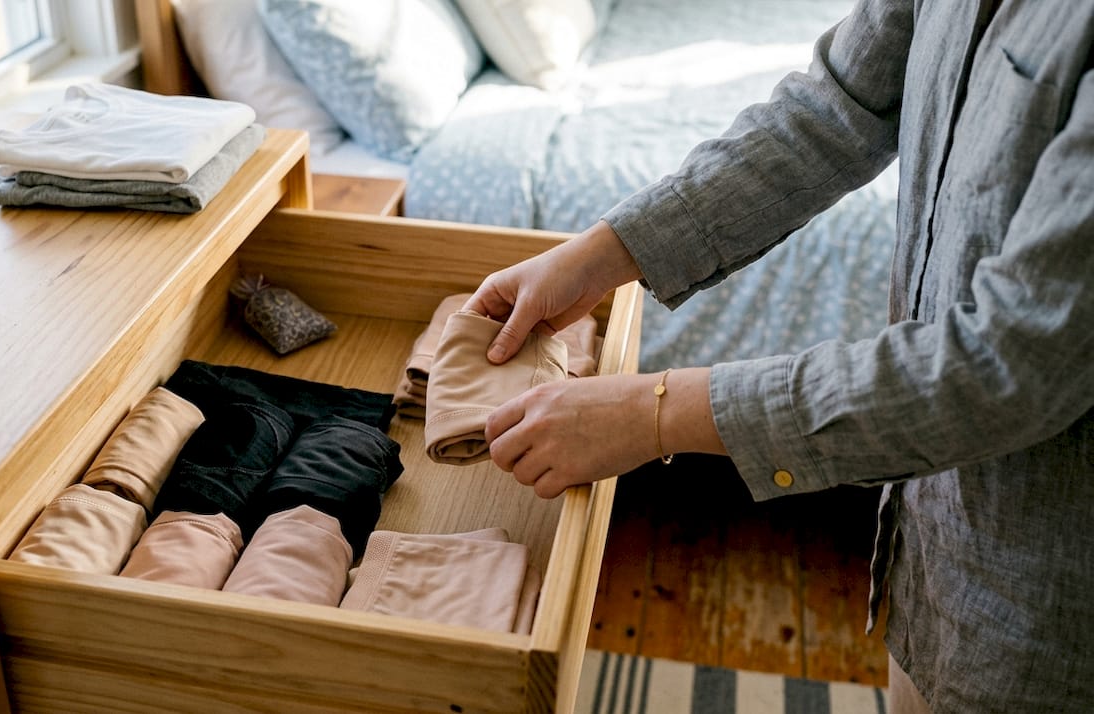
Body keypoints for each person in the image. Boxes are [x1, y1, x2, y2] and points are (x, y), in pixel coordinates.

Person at [462, 1, 1094, 711]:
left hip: (1047, 606)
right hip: (927, 554)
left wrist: (654, 412)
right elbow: (834, 108)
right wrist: (604, 253)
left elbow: (1007, 363)